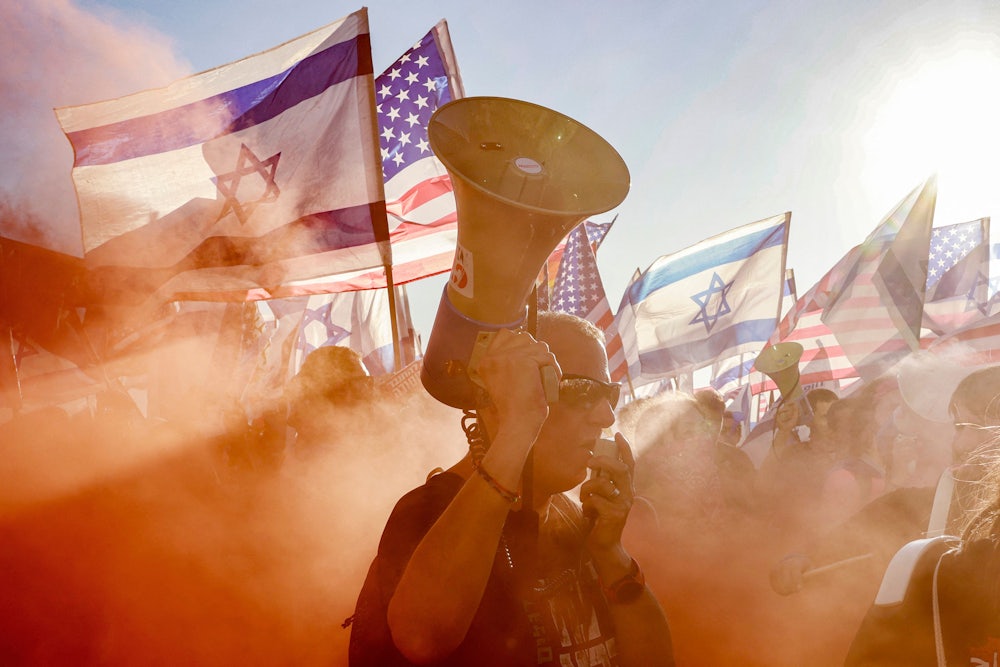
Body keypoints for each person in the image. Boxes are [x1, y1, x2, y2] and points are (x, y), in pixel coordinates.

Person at [348, 311, 674, 666]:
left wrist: (611, 552)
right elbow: (422, 639)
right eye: (581, 390)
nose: (607, 416)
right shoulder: (429, 509)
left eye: (609, 394)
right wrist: (516, 427)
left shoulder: (575, 517)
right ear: (501, 399)